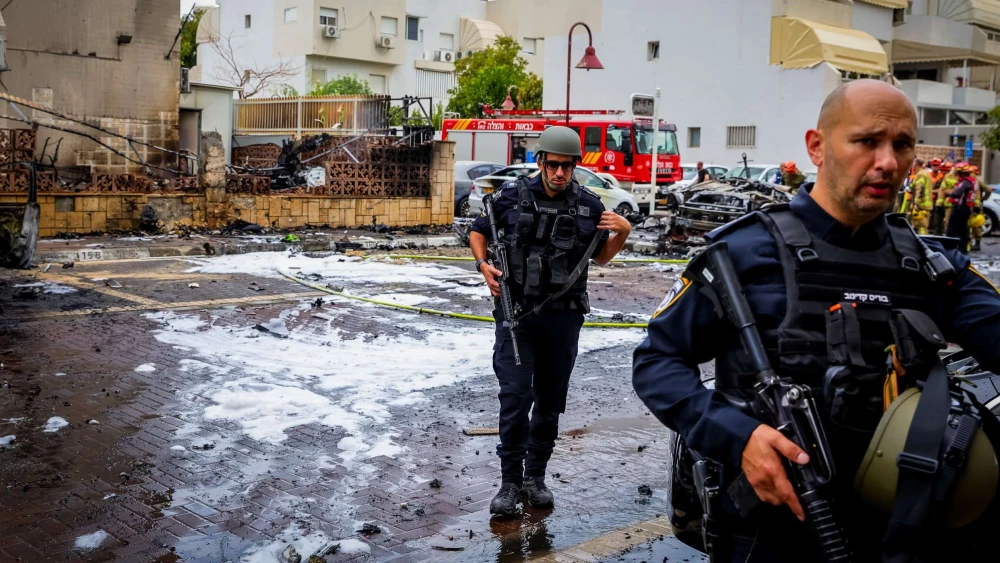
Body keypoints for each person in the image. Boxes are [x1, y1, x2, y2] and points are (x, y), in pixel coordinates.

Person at [633, 79, 1000, 561]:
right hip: (771, 525)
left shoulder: (932, 265)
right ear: (817, 146)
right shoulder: (742, 255)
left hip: (896, 526)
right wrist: (739, 436)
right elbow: (658, 361)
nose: (888, 162)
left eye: (903, 145)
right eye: (867, 141)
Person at [469, 126, 632, 516]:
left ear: (576, 165)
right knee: (515, 397)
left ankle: (535, 478)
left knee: (549, 400)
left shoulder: (590, 205)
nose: (560, 173)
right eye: (554, 165)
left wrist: (622, 234)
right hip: (517, 316)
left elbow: (601, 258)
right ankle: (509, 484)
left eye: (568, 166)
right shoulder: (509, 197)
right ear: (540, 161)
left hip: (563, 317)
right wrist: (483, 265)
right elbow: (477, 232)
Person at [946, 162, 976, 254]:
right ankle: (962, 250)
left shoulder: (965, 182)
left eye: (958, 172)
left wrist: (948, 192)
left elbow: (957, 194)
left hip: (960, 209)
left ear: (962, 172)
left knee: (952, 230)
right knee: (963, 230)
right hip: (965, 208)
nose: (957, 174)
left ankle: (951, 249)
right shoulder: (971, 181)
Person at [908, 158, 934, 234]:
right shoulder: (925, 173)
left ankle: (923, 240)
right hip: (925, 205)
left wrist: (916, 203)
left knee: (921, 226)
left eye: (913, 164)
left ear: (916, 165)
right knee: (923, 226)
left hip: (921, 205)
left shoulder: (920, 174)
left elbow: (920, 188)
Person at [969, 165, 991, 251]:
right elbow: (988, 190)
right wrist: (983, 199)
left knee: (976, 225)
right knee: (976, 225)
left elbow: (988, 190)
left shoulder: (975, 181)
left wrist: (983, 199)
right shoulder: (977, 180)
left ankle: (976, 243)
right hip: (976, 205)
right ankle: (975, 243)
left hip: (974, 206)